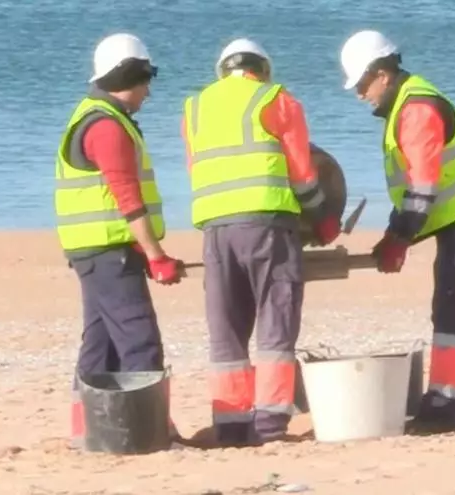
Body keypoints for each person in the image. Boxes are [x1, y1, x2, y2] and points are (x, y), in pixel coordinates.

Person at [338, 30, 455, 432]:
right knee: (449, 305)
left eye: (362, 84)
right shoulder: (406, 103)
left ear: (382, 73)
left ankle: (450, 404)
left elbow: (422, 189)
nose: (360, 93)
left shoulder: (416, 108)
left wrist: (398, 240)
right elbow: (414, 194)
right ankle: (444, 396)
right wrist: (394, 235)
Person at [181, 38, 341, 446]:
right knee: (276, 321)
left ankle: (231, 424)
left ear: (222, 71)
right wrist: (323, 219)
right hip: (268, 224)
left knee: (227, 328)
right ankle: (270, 422)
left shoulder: (194, 109)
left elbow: (196, 169)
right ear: (263, 69)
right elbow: (303, 174)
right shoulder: (277, 99)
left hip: (216, 230)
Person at [55, 32, 184, 442]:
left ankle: (87, 431)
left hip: (93, 250)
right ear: (127, 74)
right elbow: (127, 198)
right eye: (146, 78)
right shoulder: (106, 126)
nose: (148, 90)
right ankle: (147, 433)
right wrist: (156, 254)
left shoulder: (92, 116)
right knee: (139, 340)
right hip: (109, 252)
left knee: (101, 344)